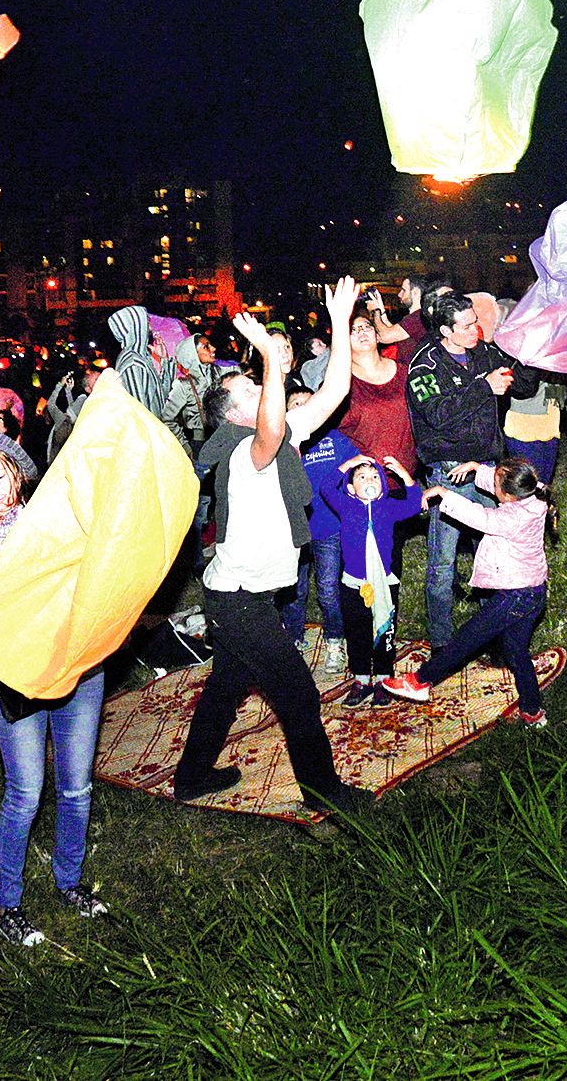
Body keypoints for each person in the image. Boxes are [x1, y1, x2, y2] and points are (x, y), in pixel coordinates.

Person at [175, 279, 364, 815]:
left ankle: (190, 778)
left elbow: (332, 392)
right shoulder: (244, 453)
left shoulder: (276, 435)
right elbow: (271, 427)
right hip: (239, 600)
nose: (263, 394)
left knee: (227, 685)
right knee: (298, 694)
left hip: (238, 596)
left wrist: (339, 322)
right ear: (236, 415)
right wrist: (268, 359)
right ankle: (323, 791)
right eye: (252, 393)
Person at [0, 444, 110, 946]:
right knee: (25, 793)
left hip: (77, 667)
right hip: (18, 674)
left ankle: (70, 883)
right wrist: (2, 576)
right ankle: (9, 903)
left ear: (16, 472)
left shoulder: (56, 518)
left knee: (76, 788)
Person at [381, 457, 553, 728]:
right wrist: (476, 468)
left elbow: (480, 516)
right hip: (534, 592)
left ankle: (419, 681)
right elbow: (510, 482)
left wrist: (444, 493)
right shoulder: (536, 497)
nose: (491, 481)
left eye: (495, 481)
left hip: (514, 598)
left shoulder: (510, 518)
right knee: (517, 652)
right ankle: (533, 712)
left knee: (465, 640)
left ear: (507, 496)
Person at [408, 289, 520, 644]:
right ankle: (442, 641)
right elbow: (438, 415)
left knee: (494, 552)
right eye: (468, 325)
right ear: (445, 330)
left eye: (476, 321)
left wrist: (522, 360)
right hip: (450, 472)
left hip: (486, 467)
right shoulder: (423, 366)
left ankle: (495, 631)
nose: (477, 330)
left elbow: (515, 381)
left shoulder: (482, 352)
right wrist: (483, 388)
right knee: (443, 562)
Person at [315, 453, 424, 704]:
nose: (370, 479)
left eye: (375, 476)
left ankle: (383, 678)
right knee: (357, 630)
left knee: (384, 630)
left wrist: (402, 472)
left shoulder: (388, 507)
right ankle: (362, 678)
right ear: (352, 488)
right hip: (354, 583)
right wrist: (349, 464)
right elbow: (326, 486)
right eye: (362, 477)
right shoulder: (346, 505)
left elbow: (415, 502)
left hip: (384, 583)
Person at [291, 408, 360, 669]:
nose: (302, 410)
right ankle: (294, 638)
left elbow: (359, 467)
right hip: (294, 529)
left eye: (309, 404)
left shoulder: (336, 439)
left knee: (328, 589)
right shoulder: (281, 443)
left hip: (328, 527)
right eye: (295, 404)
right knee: (293, 590)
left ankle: (334, 640)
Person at [338, 309, 418, 472]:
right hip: (366, 480)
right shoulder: (340, 384)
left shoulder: (404, 372)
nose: (361, 332)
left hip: (410, 476)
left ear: (377, 334)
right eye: (353, 330)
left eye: (367, 326)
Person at [161, 332, 219, 453]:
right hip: (200, 444)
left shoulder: (218, 373)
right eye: (206, 346)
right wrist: (184, 446)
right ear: (193, 355)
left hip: (220, 438)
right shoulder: (183, 385)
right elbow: (166, 419)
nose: (213, 348)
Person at [109, 304, 170, 417]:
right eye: (146, 322)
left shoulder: (142, 357)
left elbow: (163, 396)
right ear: (136, 326)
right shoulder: (132, 362)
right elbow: (140, 414)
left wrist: (164, 360)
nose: (150, 327)